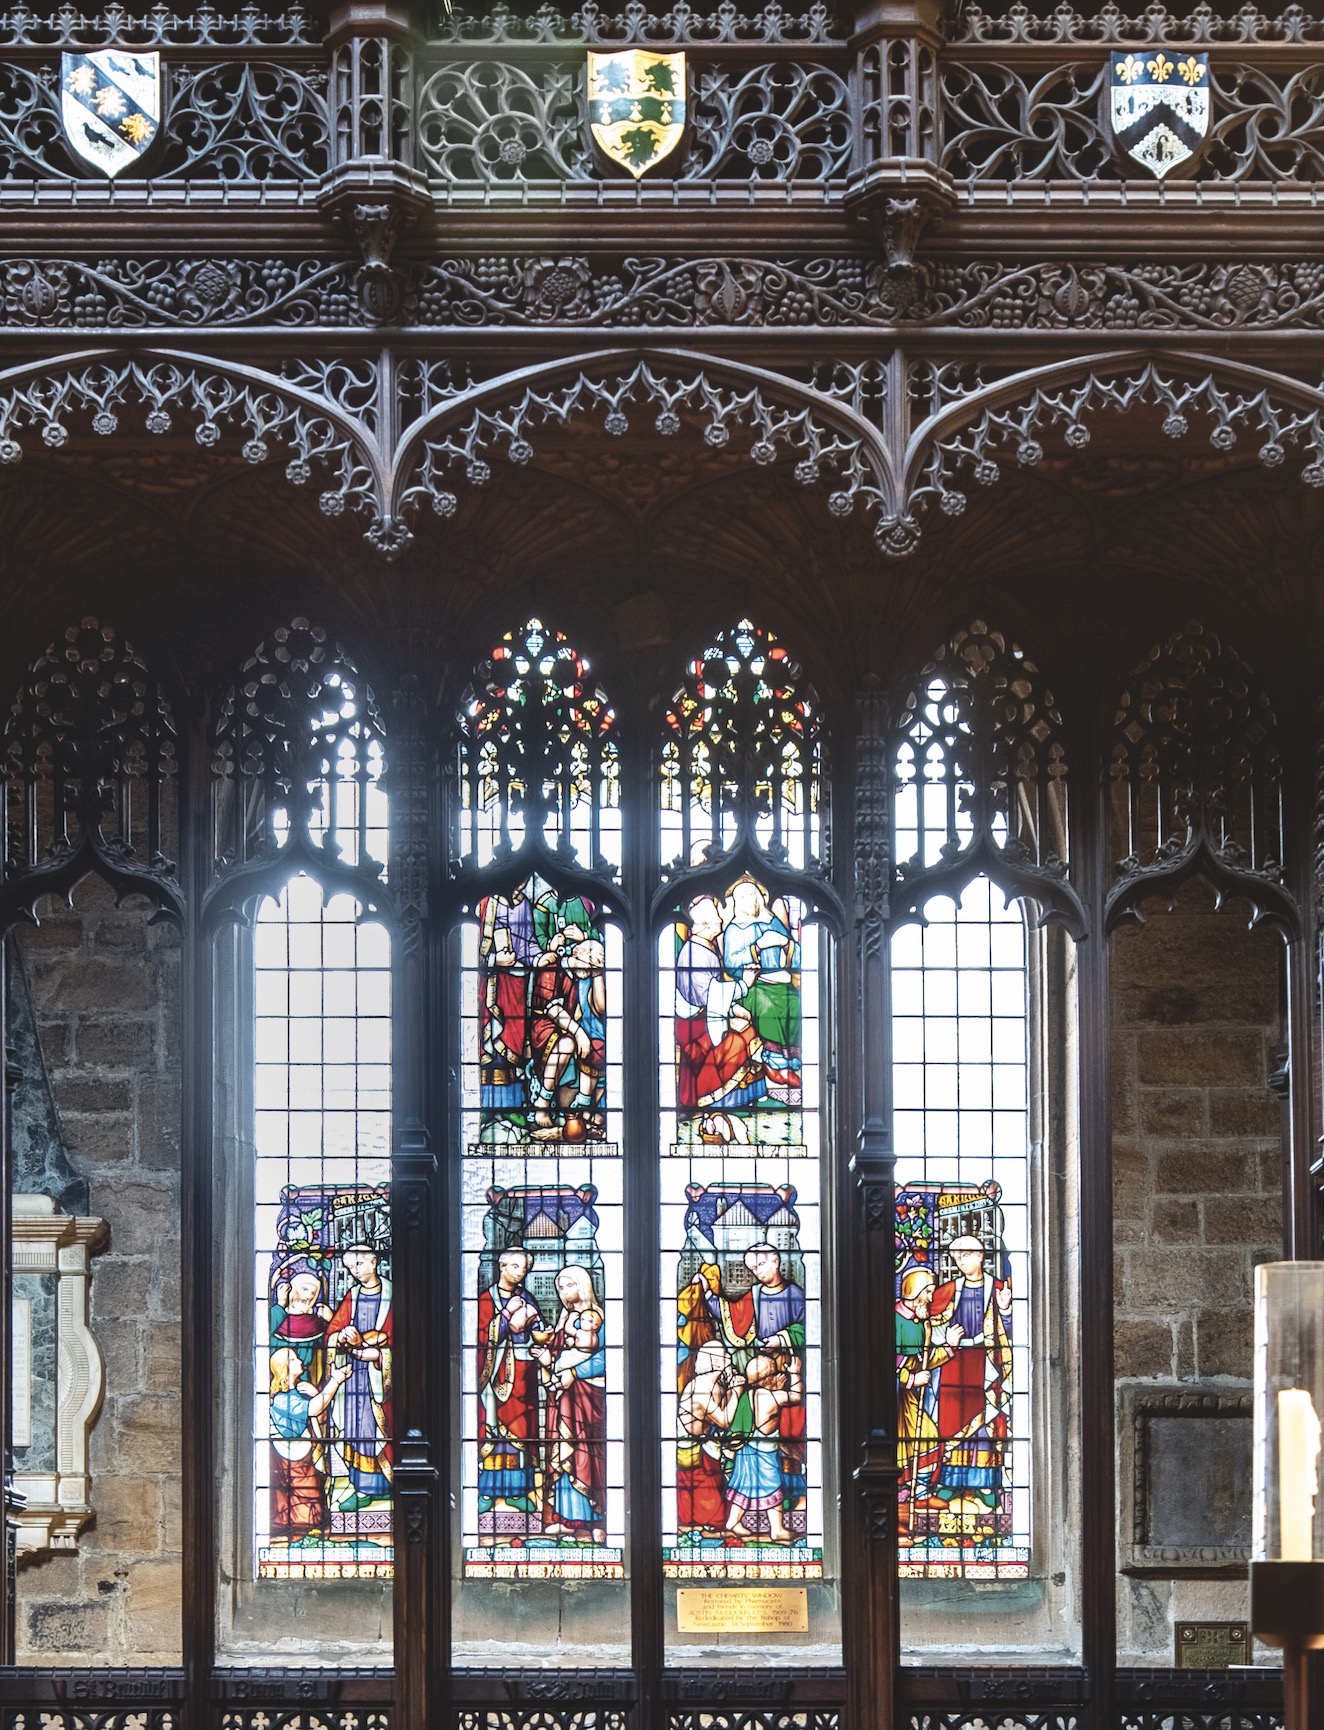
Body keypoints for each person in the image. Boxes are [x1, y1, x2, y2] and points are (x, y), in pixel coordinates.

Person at [929, 1235, 1012, 1514]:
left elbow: (1013, 1328)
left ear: (980, 1255)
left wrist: (1005, 1309)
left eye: (965, 1255)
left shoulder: (997, 1288)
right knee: (951, 1423)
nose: (961, 1261)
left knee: (986, 1424)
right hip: (954, 1363)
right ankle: (951, 1482)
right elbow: (928, 1325)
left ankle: (986, 1485)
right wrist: (946, 1339)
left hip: (987, 1363)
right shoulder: (949, 1290)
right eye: (956, 1257)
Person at [535, 1264, 608, 1545]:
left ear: (583, 1284)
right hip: (563, 1396)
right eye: (561, 1287)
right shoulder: (566, 1317)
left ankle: (596, 1519)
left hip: (588, 1394)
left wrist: (574, 1374)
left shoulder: (598, 1318)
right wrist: (546, 1359)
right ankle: (566, 1519)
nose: (565, 1292)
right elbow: (558, 1355)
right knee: (562, 1452)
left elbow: (606, 1358)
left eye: (569, 1285)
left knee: (588, 1453)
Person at [476, 1246, 545, 1531]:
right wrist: (505, 1318)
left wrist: (538, 1328)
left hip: (523, 1371)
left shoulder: (527, 1297)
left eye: (524, 1269)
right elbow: (479, 1336)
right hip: (495, 1376)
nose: (521, 1273)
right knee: (493, 1428)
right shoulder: (484, 1299)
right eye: (516, 1267)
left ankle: (519, 1490)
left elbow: (536, 1327)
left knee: (521, 1429)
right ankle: (487, 1490)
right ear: (502, 1266)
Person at [324, 1243, 393, 1512]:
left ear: (374, 1262)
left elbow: (400, 1335)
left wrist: (378, 1355)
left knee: (377, 1430)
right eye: (351, 1267)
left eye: (360, 1264)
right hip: (354, 1377)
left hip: (380, 1379)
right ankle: (362, 1487)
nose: (356, 1271)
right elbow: (334, 1330)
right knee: (355, 1429)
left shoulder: (391, 1293)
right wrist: (341, 1338)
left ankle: (385, 1486)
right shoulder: (352, 1296)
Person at [895, 1266, 960, 1532]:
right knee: (898, 1449)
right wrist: (910, 1379)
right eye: (929, 1291)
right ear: (914, 1291)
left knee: (928, 1436)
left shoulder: (920, 1323)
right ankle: (896, 1507)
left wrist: (948, 1347)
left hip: (909, 1397)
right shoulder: (895, 1320)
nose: (932, 1298)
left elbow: (924, 1360)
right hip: (894, 1401)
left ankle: (919, 1494)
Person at [268, 1346, 353, 1540]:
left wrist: (316, 1393)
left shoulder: (298, 1390)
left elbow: (320, 1417)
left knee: (313, 1491)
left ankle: (306, 1529)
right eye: (294, 1359)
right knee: (306, 1494)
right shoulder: (281, 1399)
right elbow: (313, 1409)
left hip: (304, 1453)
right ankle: (298, 1533)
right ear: (284, 1367)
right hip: (291, 1456)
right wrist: (335, 1381)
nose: (300, 1361)